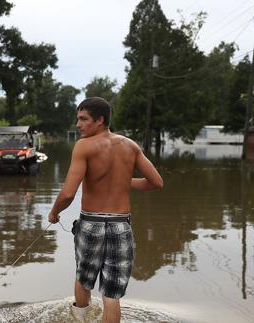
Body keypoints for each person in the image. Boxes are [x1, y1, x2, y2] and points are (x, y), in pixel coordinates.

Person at [48, 97, 164, 323]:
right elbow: (156, 182)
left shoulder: (84, 146)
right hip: (121, 226)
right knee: (112, 295)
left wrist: (54, 212)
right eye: (77, 119)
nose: (78, 124)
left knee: (84, 279)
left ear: (100, 120)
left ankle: (81, 319)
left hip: (91, 224)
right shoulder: (131, 146)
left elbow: (68, 193)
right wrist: (123, 181)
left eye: (83, 119)